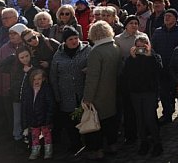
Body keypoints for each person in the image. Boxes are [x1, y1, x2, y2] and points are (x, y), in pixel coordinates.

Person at [81, 21, 123, 160]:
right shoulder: (115, 47)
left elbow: (92, 78)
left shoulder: (96, 52)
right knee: (111, 121)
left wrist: (87, 98)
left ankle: (97, 150)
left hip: (99, 94)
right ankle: (112, 145)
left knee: (96, 124)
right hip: (113, 91)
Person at [49, 26, 90, 155]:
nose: (74, 41)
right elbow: (53, 76)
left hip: (83, 91)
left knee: (86, 119)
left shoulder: (87, 50)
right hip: (65, 93)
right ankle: (75, 143)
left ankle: (89, 144)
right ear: (65, 41)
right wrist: (57, 95)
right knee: (69, 121)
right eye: (71, 39)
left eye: (76, 38)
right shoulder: (58, 54)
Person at [150, 8, 178, 124]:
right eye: (165, 16)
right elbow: (152, 47)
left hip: (176, 68)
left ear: (176, 19)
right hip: (162, 67)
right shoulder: (158, 32)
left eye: (170, 16)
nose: (167, 18)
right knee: (164, 92)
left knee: (177, 92)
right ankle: (167, 114)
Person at [22, 68, 54, 160]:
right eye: (34, 79)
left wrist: (48, 118)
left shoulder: (46, 89)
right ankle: (35, 151)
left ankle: (48, 151)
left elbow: (51, 104)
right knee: (34, 136)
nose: (37, 81)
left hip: (44, 118)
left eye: (39, 79)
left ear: (43, 79)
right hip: (33, 118)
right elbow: (25, 106)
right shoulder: (28, 90)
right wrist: (26, 120)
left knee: (47, 135)